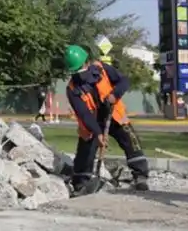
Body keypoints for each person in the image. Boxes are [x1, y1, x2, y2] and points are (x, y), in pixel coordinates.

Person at [64, 44, 150, 194]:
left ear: (87, 62)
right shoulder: (72, 89)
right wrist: (98, 133)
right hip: (91, 123)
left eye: (81, 68)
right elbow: (84, 114)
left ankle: (140, 177)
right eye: (75, 71)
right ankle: (81, 183)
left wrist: (114, 95)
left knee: (131, 141)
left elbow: (124, 81)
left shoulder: (102, 69)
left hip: (114, 115)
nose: (80, 73)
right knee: (85, 153)